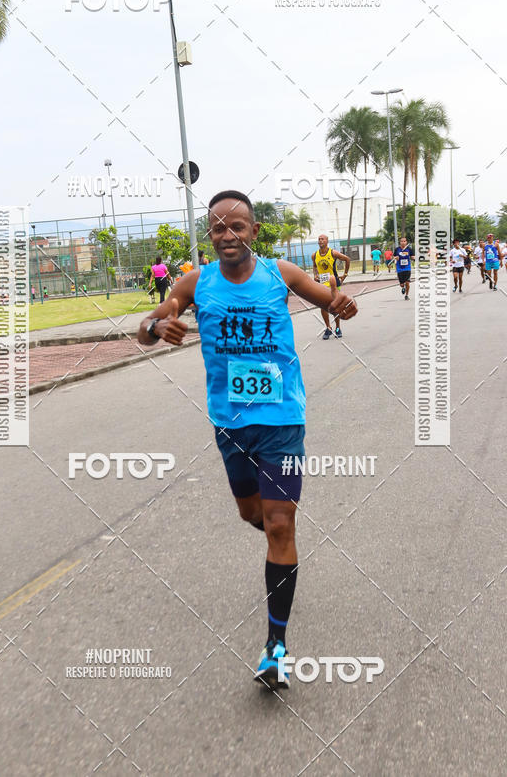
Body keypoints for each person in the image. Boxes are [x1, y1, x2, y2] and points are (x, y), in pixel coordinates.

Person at [138, 190, 357, 690]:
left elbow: (333, 302)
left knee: (280, 522)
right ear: (209, 235)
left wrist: (343, 304)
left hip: (282, 419)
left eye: (238, 226)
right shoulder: (195, 282)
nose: (228, 235)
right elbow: (146, 327)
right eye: (218, 228)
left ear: (254, 231)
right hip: (230, 424)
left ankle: (275, 647)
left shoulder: (281, 274)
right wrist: (157, 325)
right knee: (252, 515)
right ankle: (283, 552)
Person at [311, 234, 351, 339]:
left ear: (327, 241)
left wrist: (345, 275)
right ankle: (328, 328)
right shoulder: (314, 255)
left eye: (322, 239)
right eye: (319, 239)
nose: (320, 241)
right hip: (322, 284)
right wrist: (315, 275)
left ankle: (338, 327)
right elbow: (315, 266)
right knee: (323, 306)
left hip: (334, 283)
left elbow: (347, 259)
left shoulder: (333, 253)